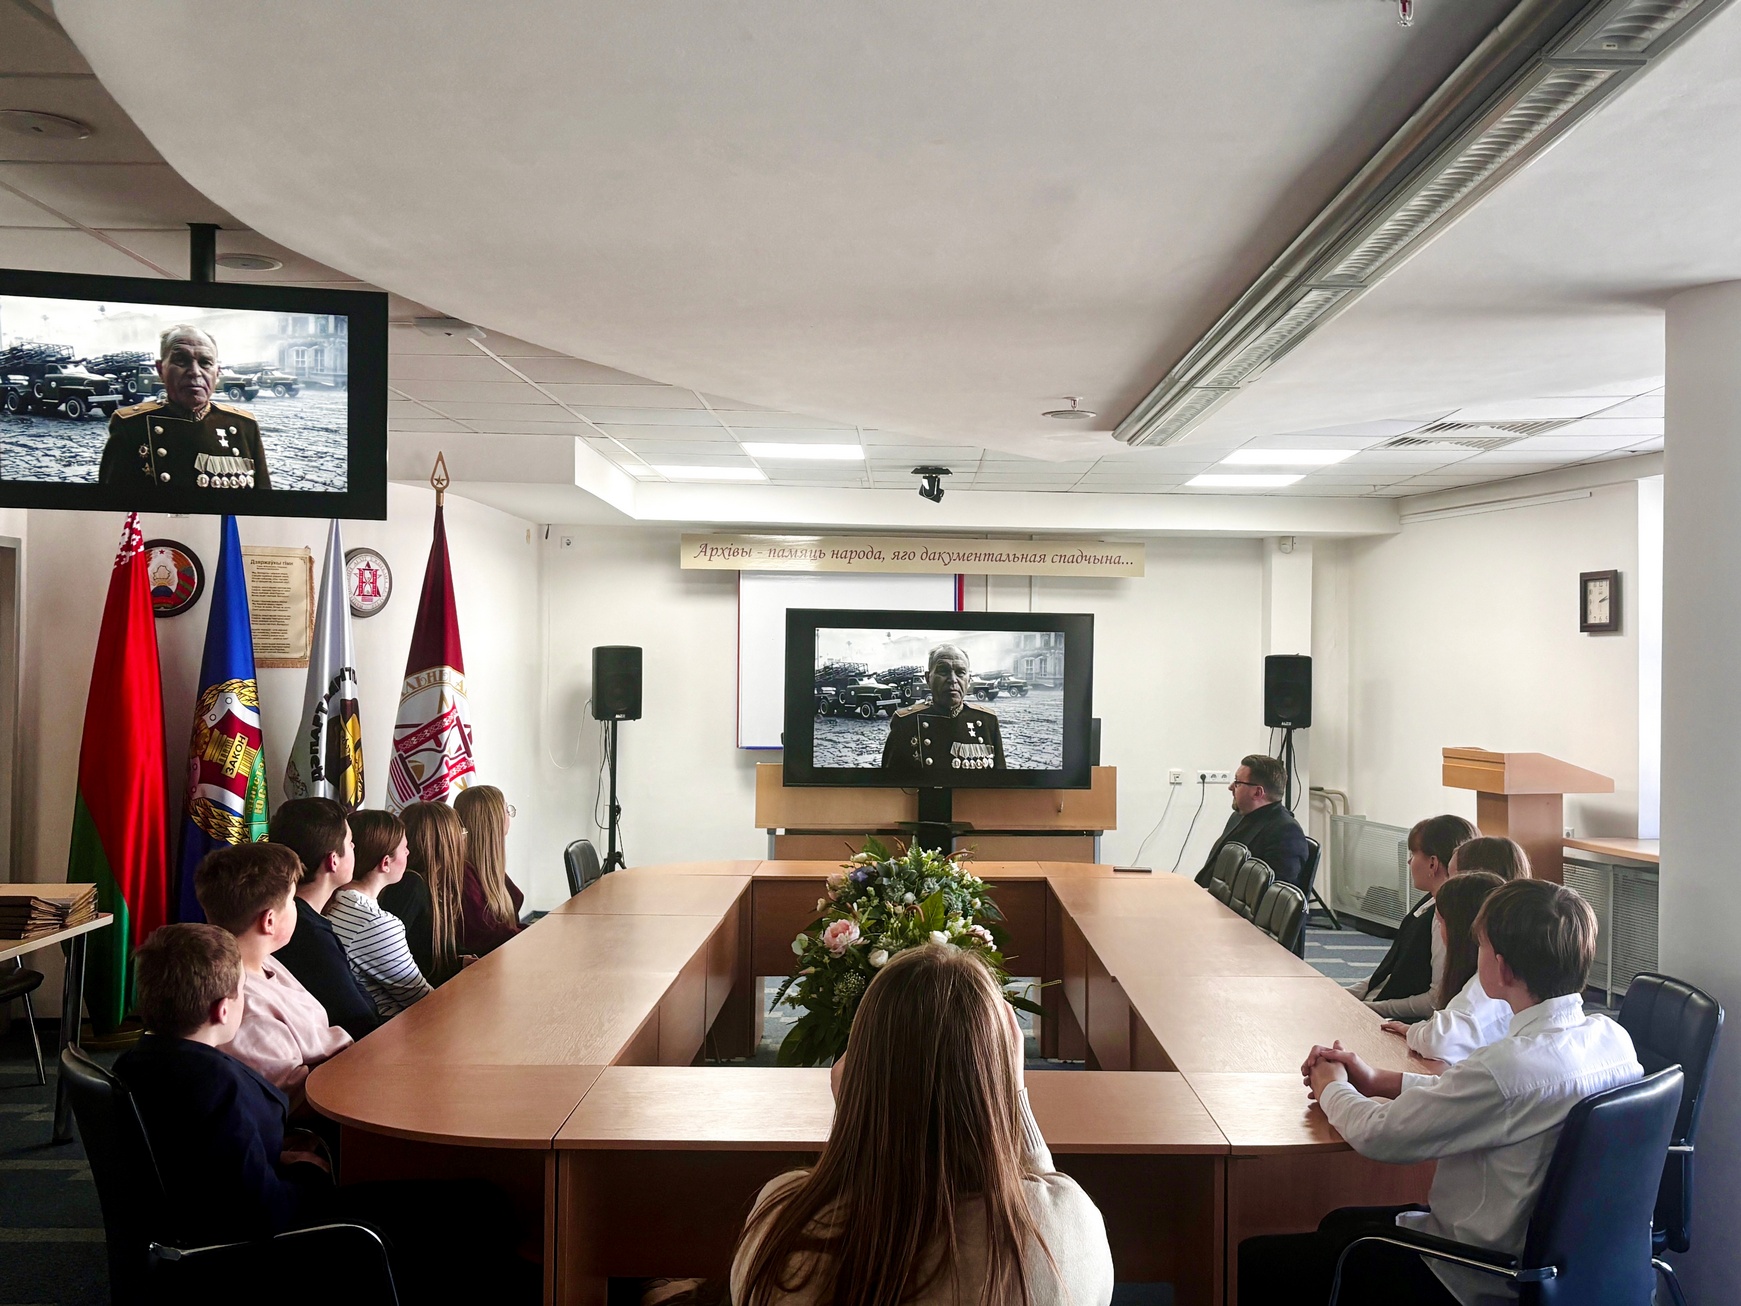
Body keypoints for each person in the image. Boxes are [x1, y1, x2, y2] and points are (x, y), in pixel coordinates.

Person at [1238, 879, 1642, 1306]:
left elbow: (1380, 1135)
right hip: (1565, 1267)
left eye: (1481, 946)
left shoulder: (1507, 1068)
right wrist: (1379, 1080)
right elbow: (1476, 1097)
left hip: (1473, 1273)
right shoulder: (1612, 1039)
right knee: (1338, 1223)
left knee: (1255, 1260)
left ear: (1502, 968)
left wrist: (1330, 1085)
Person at [115, 923, 539, 1302]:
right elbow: (262, 1210)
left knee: (470, 1202)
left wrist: (276, 1156)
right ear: (222, 1010)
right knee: (479, 1205)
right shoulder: (215, 1084)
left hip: (196, 1224)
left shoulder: (134, 1065)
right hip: (278, 1238)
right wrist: (307, 1173)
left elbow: (204, 1157)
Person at [731, 943, 1114, 1306]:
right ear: (999, 1078)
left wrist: (857, 1120)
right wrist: (1013, 1101)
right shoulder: (1065, 1227)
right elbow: (1045, 1205)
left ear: (855, 1072)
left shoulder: (779, 1223)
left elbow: (844, 1188)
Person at [193, 842, 351, 1110]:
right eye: (291, 901)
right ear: (269, 921)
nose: (296, 908)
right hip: (328, 1107)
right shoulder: (243, 1004)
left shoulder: (263, 960)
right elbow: (296, 1099)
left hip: (345, 1069)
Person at [1384, 839, 1532, 1061]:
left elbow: (1440, 1037)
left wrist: (1415, 1031)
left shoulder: (1485, 986)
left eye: (1451, 876)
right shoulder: (1521, 957)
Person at [97, 324, 272, 492]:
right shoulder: (130, 426)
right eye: (181, 361)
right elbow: (111, 506)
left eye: (205, 362)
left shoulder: (244, 426)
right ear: (161, 370)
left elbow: (263, 504)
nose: (195, 372)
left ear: (217, 372)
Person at [267, 797, 380, 1038]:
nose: (354, 847)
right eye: (350, 842)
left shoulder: (291, 914)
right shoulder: (309, 934)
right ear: (333, 860)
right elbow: (361, 1019)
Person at [1348, 815, 1478, 1018]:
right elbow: (1390, 971)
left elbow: (1435, 1001)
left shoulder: (1444, 918)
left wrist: (1368, 1009)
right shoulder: (1429, 900)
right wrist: (1348, 994)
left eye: (1413, 854)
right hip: (1382, 1004)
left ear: (1433, 863)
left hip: (1400, 1020)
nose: (1409, 861)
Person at [324, 809, 434, 1016]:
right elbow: (423, 1000)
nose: (408, 853)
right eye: (404, 848)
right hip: (393, 1029)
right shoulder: (376, 924)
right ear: (385, 863)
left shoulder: (332, 901)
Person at [881, 643, 1007, 777]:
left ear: (969, 679)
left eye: (960, 672)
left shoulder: (987, 721)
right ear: (928, 678)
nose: (952, 680)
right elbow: (889, 784)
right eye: (943, 671)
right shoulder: (905, 722)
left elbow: (1001, 782)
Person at [1193, 755, 1310, 890]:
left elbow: (1275, 894)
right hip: (1207, 895)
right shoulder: (1238, 817)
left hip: (1226, 903)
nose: (1231, 787)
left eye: (1237, 782)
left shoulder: (1286, 833)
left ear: (1257, 792)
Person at [385, 800, 469, 983]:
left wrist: (463, 960)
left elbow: (439, 951)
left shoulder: (433, 883)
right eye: (459, 833)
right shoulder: (410, 885)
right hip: (421, 992)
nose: (462, 839)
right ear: (444, 841)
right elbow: (390, 956)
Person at [453, 785, 525, 957]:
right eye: (506, 810)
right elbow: (488, 936)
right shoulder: (463, 875)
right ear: (492, 821)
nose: (509, 815)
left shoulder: (486, 866)